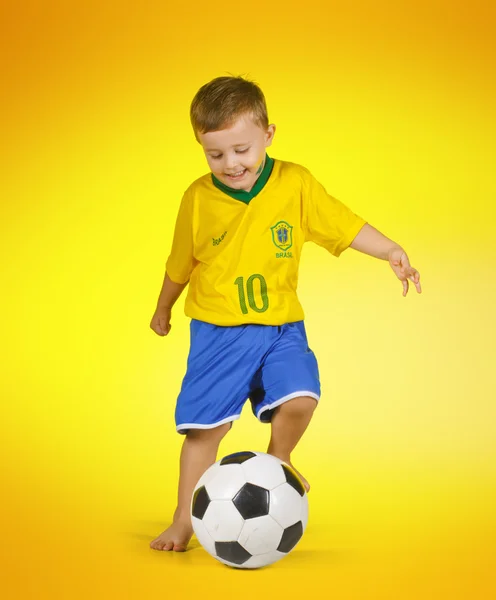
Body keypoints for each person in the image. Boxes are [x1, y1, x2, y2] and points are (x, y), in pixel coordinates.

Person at [149, 76, 421, 552]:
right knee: (204, 432)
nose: (231, 164)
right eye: (216, 155)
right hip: (219, 333)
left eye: (241, 150)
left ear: (268, 135)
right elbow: (179, 264)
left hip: (279, 327)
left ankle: (280, 458)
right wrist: (163, 309)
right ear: (202, 148)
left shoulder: (294, 183)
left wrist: (390, 250)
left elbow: (344, 223)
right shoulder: (197, 198)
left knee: (302, 396)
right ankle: (182, 518)